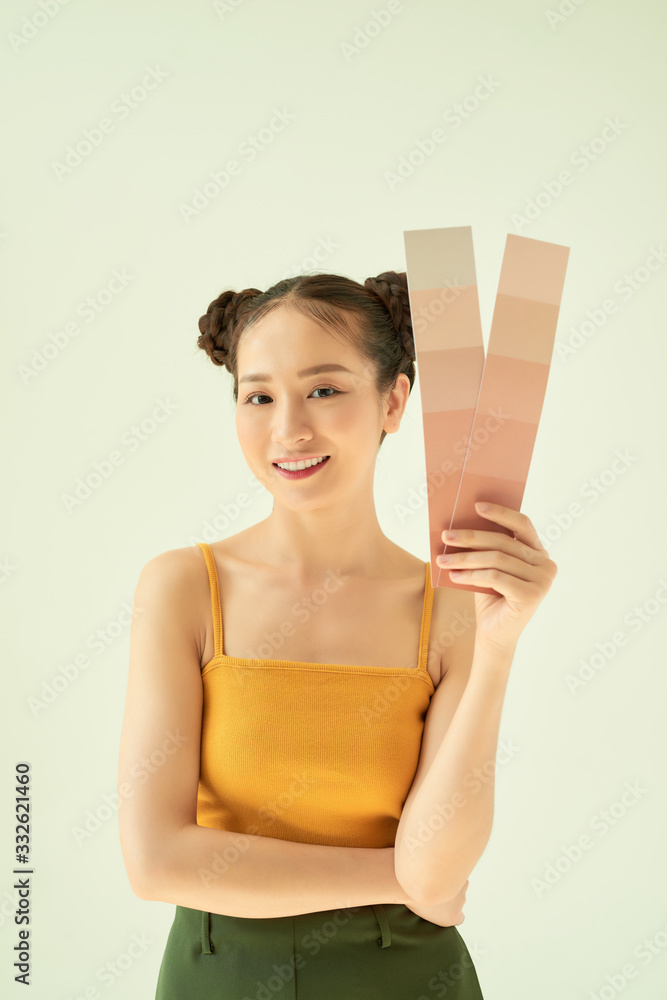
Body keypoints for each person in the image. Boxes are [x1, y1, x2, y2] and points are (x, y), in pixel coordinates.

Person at [118, 270, 557, 999]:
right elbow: (155, 862)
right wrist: (401, 878)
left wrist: (499, 645)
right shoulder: (182, 588)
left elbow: (443, 856)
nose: (288, 427)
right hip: (217, 975)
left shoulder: (451, 610)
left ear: (394, 399)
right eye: (257, 396)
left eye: (323, 389)